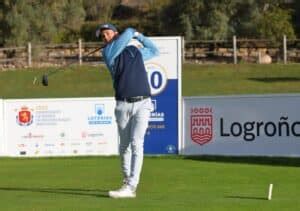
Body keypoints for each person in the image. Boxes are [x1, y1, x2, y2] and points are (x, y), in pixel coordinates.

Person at [96, 23, 159, 198]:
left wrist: (139, 35)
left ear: (115, 33)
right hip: (122, 105)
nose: (105, 38)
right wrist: (131, 31)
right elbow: (126, 35)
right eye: (103, 37)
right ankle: (126, 180)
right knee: (124, 146)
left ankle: (131, 186)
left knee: (137, 143)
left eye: (107, 34)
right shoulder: (108, 54)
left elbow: (154, 50)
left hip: (143, 103)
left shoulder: (135, 52)